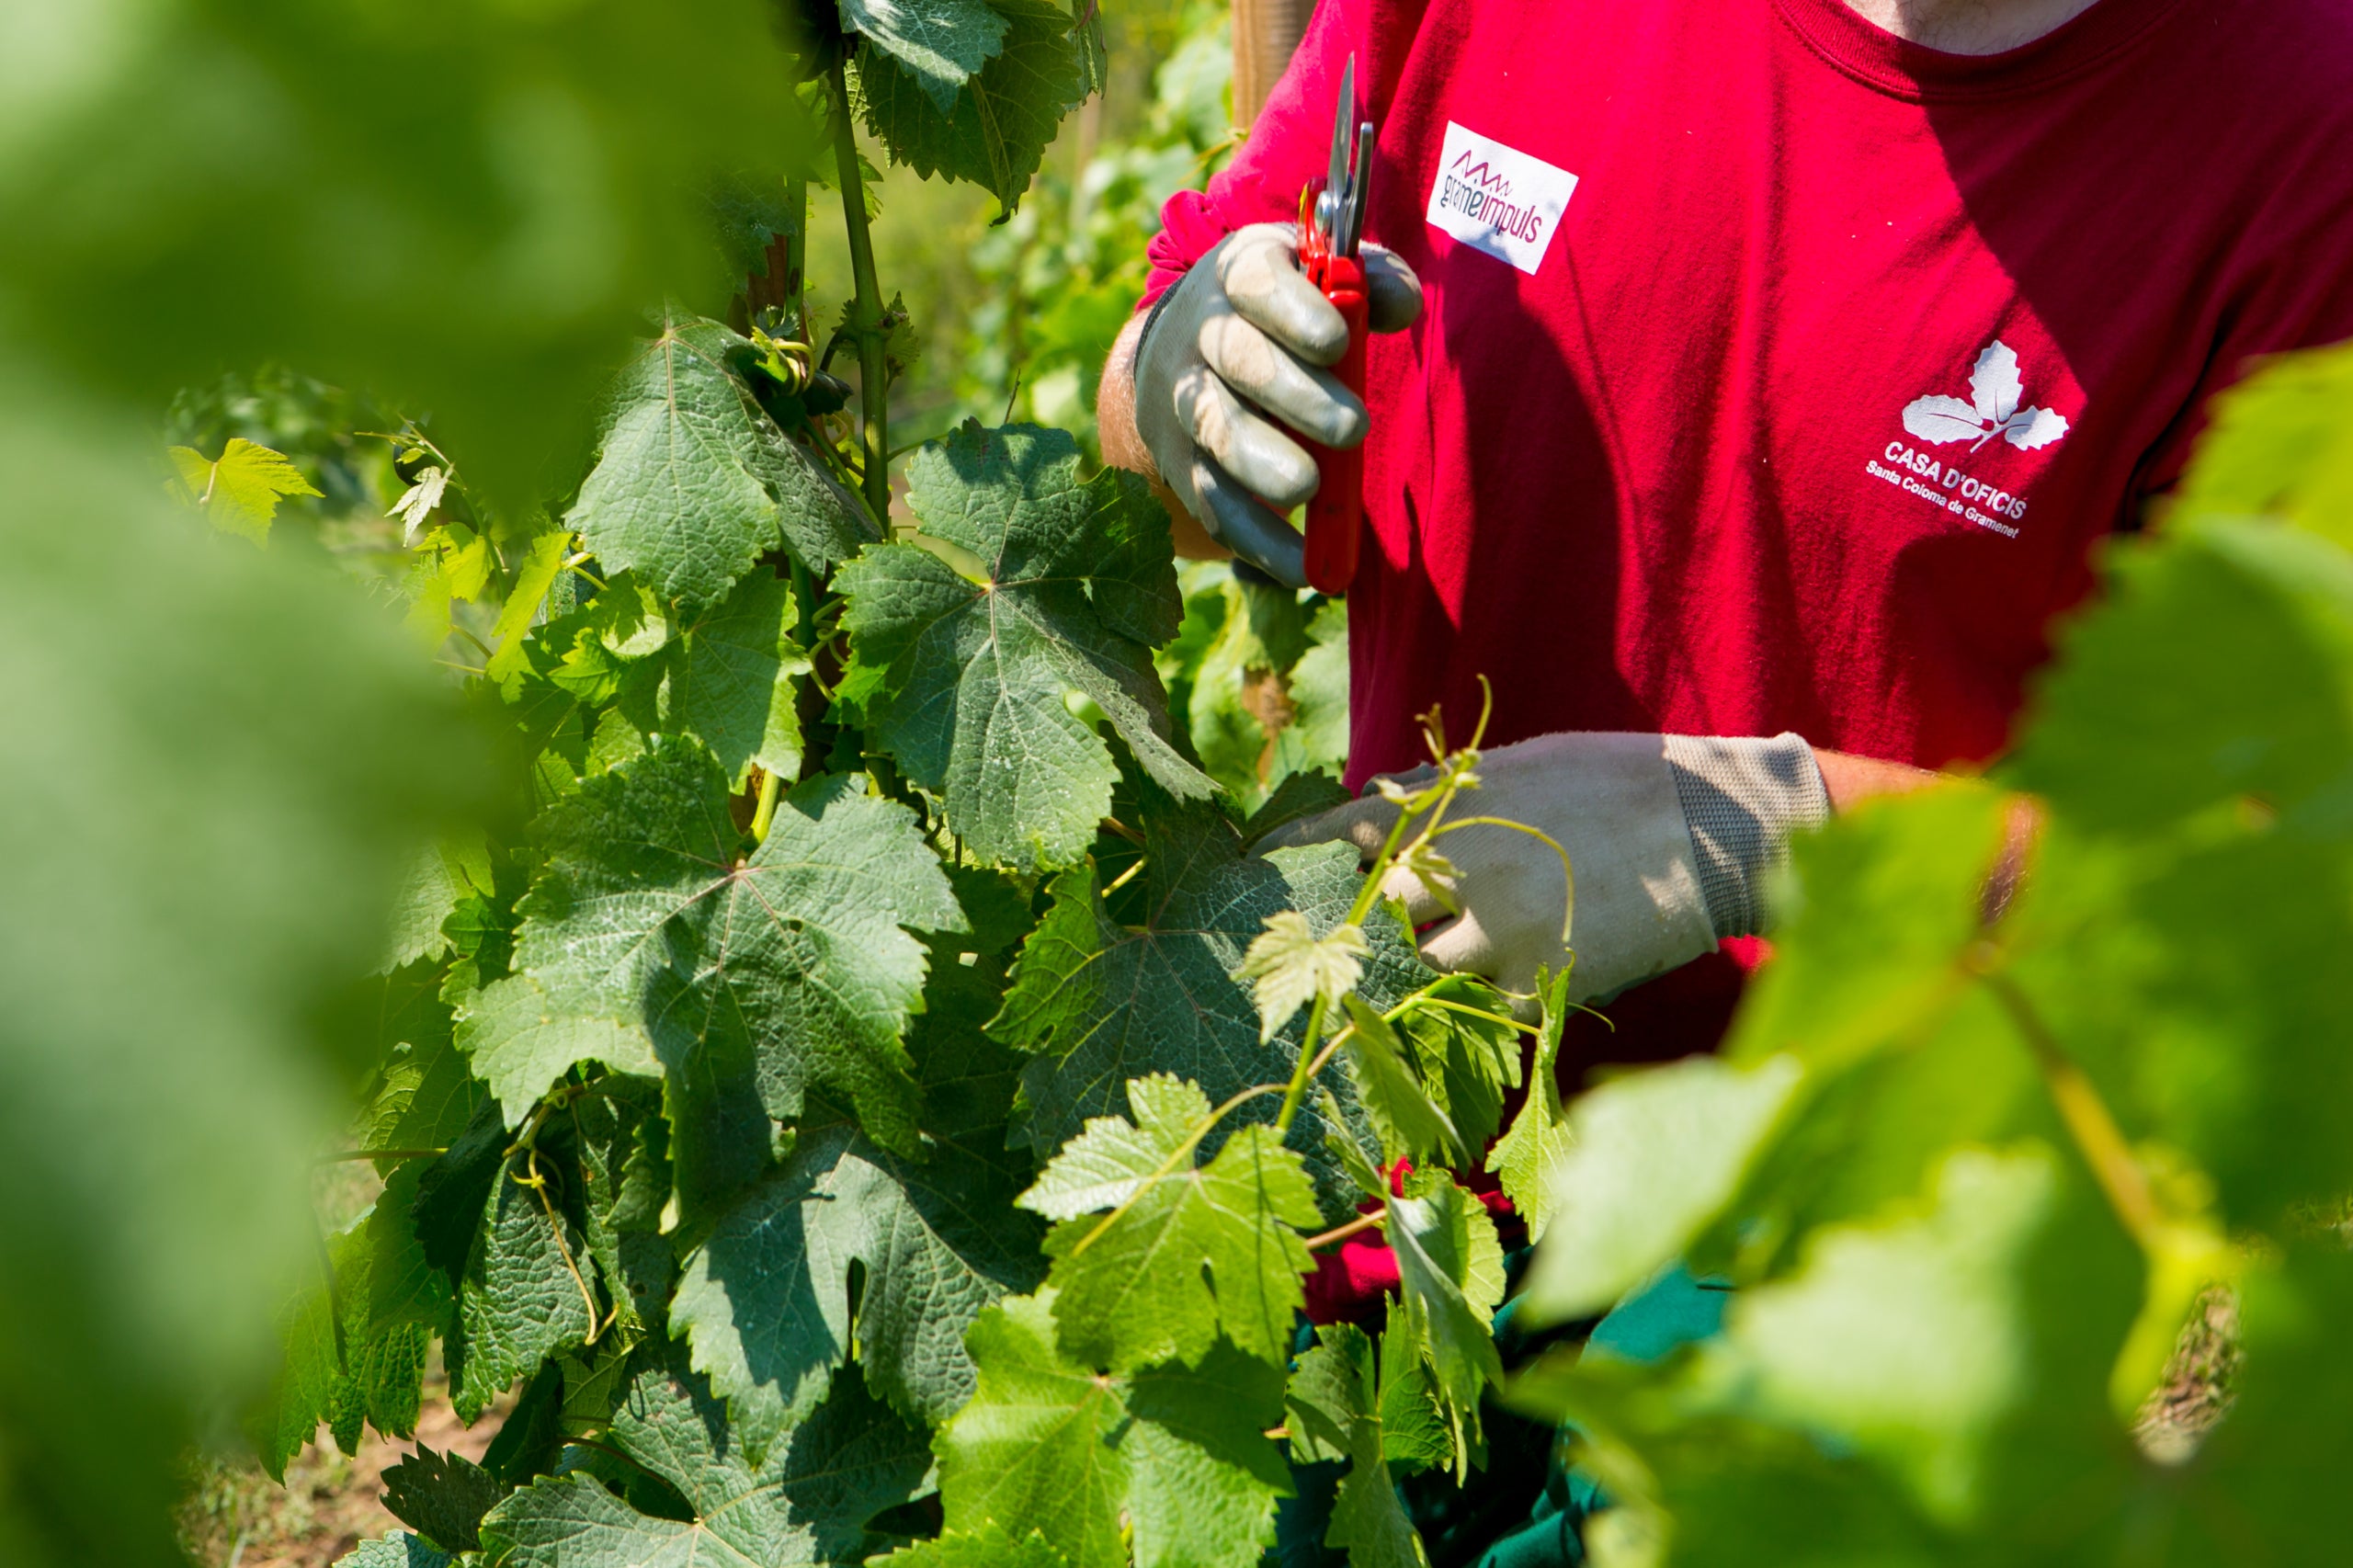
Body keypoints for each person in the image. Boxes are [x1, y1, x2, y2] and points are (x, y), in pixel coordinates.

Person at [1099, 0, 2353, 1078]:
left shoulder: (2310, 143)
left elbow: (2269, 908)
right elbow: (1154, 481)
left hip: (1849, 1284)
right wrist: (1171, 380)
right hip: (1370, 1173)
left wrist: (1758, 831)